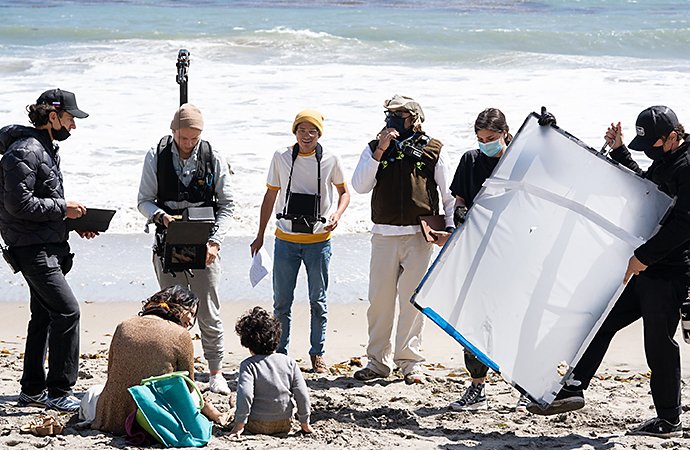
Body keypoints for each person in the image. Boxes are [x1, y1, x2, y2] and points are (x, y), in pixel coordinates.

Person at [527, 106, 689, 439]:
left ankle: (669, 420)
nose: (652, 155)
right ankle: (573, 388)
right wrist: (619, 151)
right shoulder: (667, 159)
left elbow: (686, 224)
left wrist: (643, 257)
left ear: (672, 136)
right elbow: (647, 191)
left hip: (669, 271)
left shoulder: (688, 167)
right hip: (646, 266)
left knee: (658, 344)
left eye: (654, 147)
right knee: (602, 320)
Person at [0, 88, 97, 413]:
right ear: (53, 116)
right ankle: (58, 391)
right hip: (32, 249)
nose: (73, 126)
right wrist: (62, 209)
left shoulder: (44, 148)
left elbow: (39, 206)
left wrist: (74, 222)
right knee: (68, 311)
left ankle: (31, 389)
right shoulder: (24, 150)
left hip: (46, 244)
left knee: (43, 315)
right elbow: (19, 205)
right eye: (70, 119)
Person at [351, 95, 455, 385]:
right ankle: (377, 362)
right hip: (383, 234)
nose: (392, 119)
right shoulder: (374, 148)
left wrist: (449, 229)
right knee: (379, 302)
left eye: (399, 114)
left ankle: (410, 363)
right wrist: (381, 149)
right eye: (389, 114)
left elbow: (447, 193)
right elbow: (360, 186)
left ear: (414, 117)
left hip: (419, 236)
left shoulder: (433, 148)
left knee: (413, 302)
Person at [137, 103, 234, 395]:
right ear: (173, 132)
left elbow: (228, 205)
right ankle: (177, 373)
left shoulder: (213, 155)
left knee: (208, 311)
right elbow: (144, 200)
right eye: (183, 138)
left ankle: (216, 372)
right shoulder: (156, 155)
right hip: (168, 242)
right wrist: (160, 216)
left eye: (194, 138)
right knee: (170, 312)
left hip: (205, 244)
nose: (189, 144)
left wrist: (216, 243)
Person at [249, 109, 350, 374]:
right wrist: (259, 235)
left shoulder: (330, 158)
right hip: (286, 240)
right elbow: (270, 197)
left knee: (318, 301)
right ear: (295, 132)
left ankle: (317, 354)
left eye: (312, 131)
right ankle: (280, 354)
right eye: (302, 130)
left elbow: (344, 193)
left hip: (319, 240)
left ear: (319, 134)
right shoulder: (281, 157)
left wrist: (336, 216)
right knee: (282, 303)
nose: (307, 135)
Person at [444, 108, 530, 411]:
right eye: (480, 138)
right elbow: (459, 199)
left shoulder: (518, 162)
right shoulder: (470, 160)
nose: (485, 143)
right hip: (477, 251)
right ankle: (477, 387)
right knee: (475, 319)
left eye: (491, 138)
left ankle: (524, 387)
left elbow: (552, 168)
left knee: (516, 318)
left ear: (506, 133)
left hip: (513, 251)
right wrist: (460, 213)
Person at [90, 286, 223, 435]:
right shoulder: (181, 334)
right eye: (190, 313)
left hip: (112, 420)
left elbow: (112, 371)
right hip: (154, 422)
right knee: (192, 396)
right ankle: (212, 412)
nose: (191, 321)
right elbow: (188, 387)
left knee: (93, 392)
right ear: (177, 306)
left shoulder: (124, 325)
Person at [230, 306, 313, 437]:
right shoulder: (289, 362)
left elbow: (245, 394)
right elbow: (302, 394)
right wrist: (305, 422)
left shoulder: (248, 365)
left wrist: (239, 425)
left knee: (234, 401)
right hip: (284, 423)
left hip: (256, 424)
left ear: (247, 342)